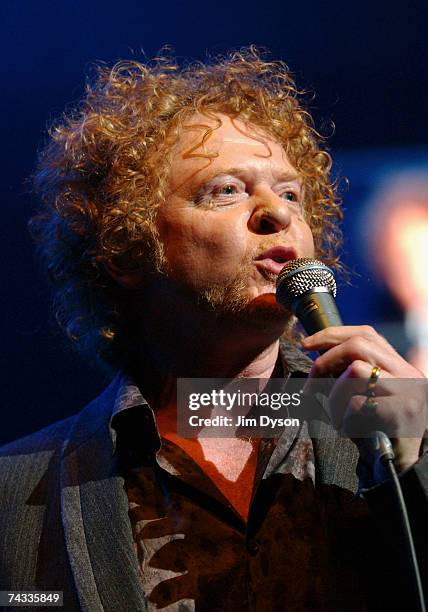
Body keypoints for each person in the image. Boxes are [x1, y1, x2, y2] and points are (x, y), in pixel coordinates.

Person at [0, 48, 426, 611]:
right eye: (227, 189)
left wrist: (416, 467)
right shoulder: (16, 494)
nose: (278, 213)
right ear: (127, 250)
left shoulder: (394, 434)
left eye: (292, 193)